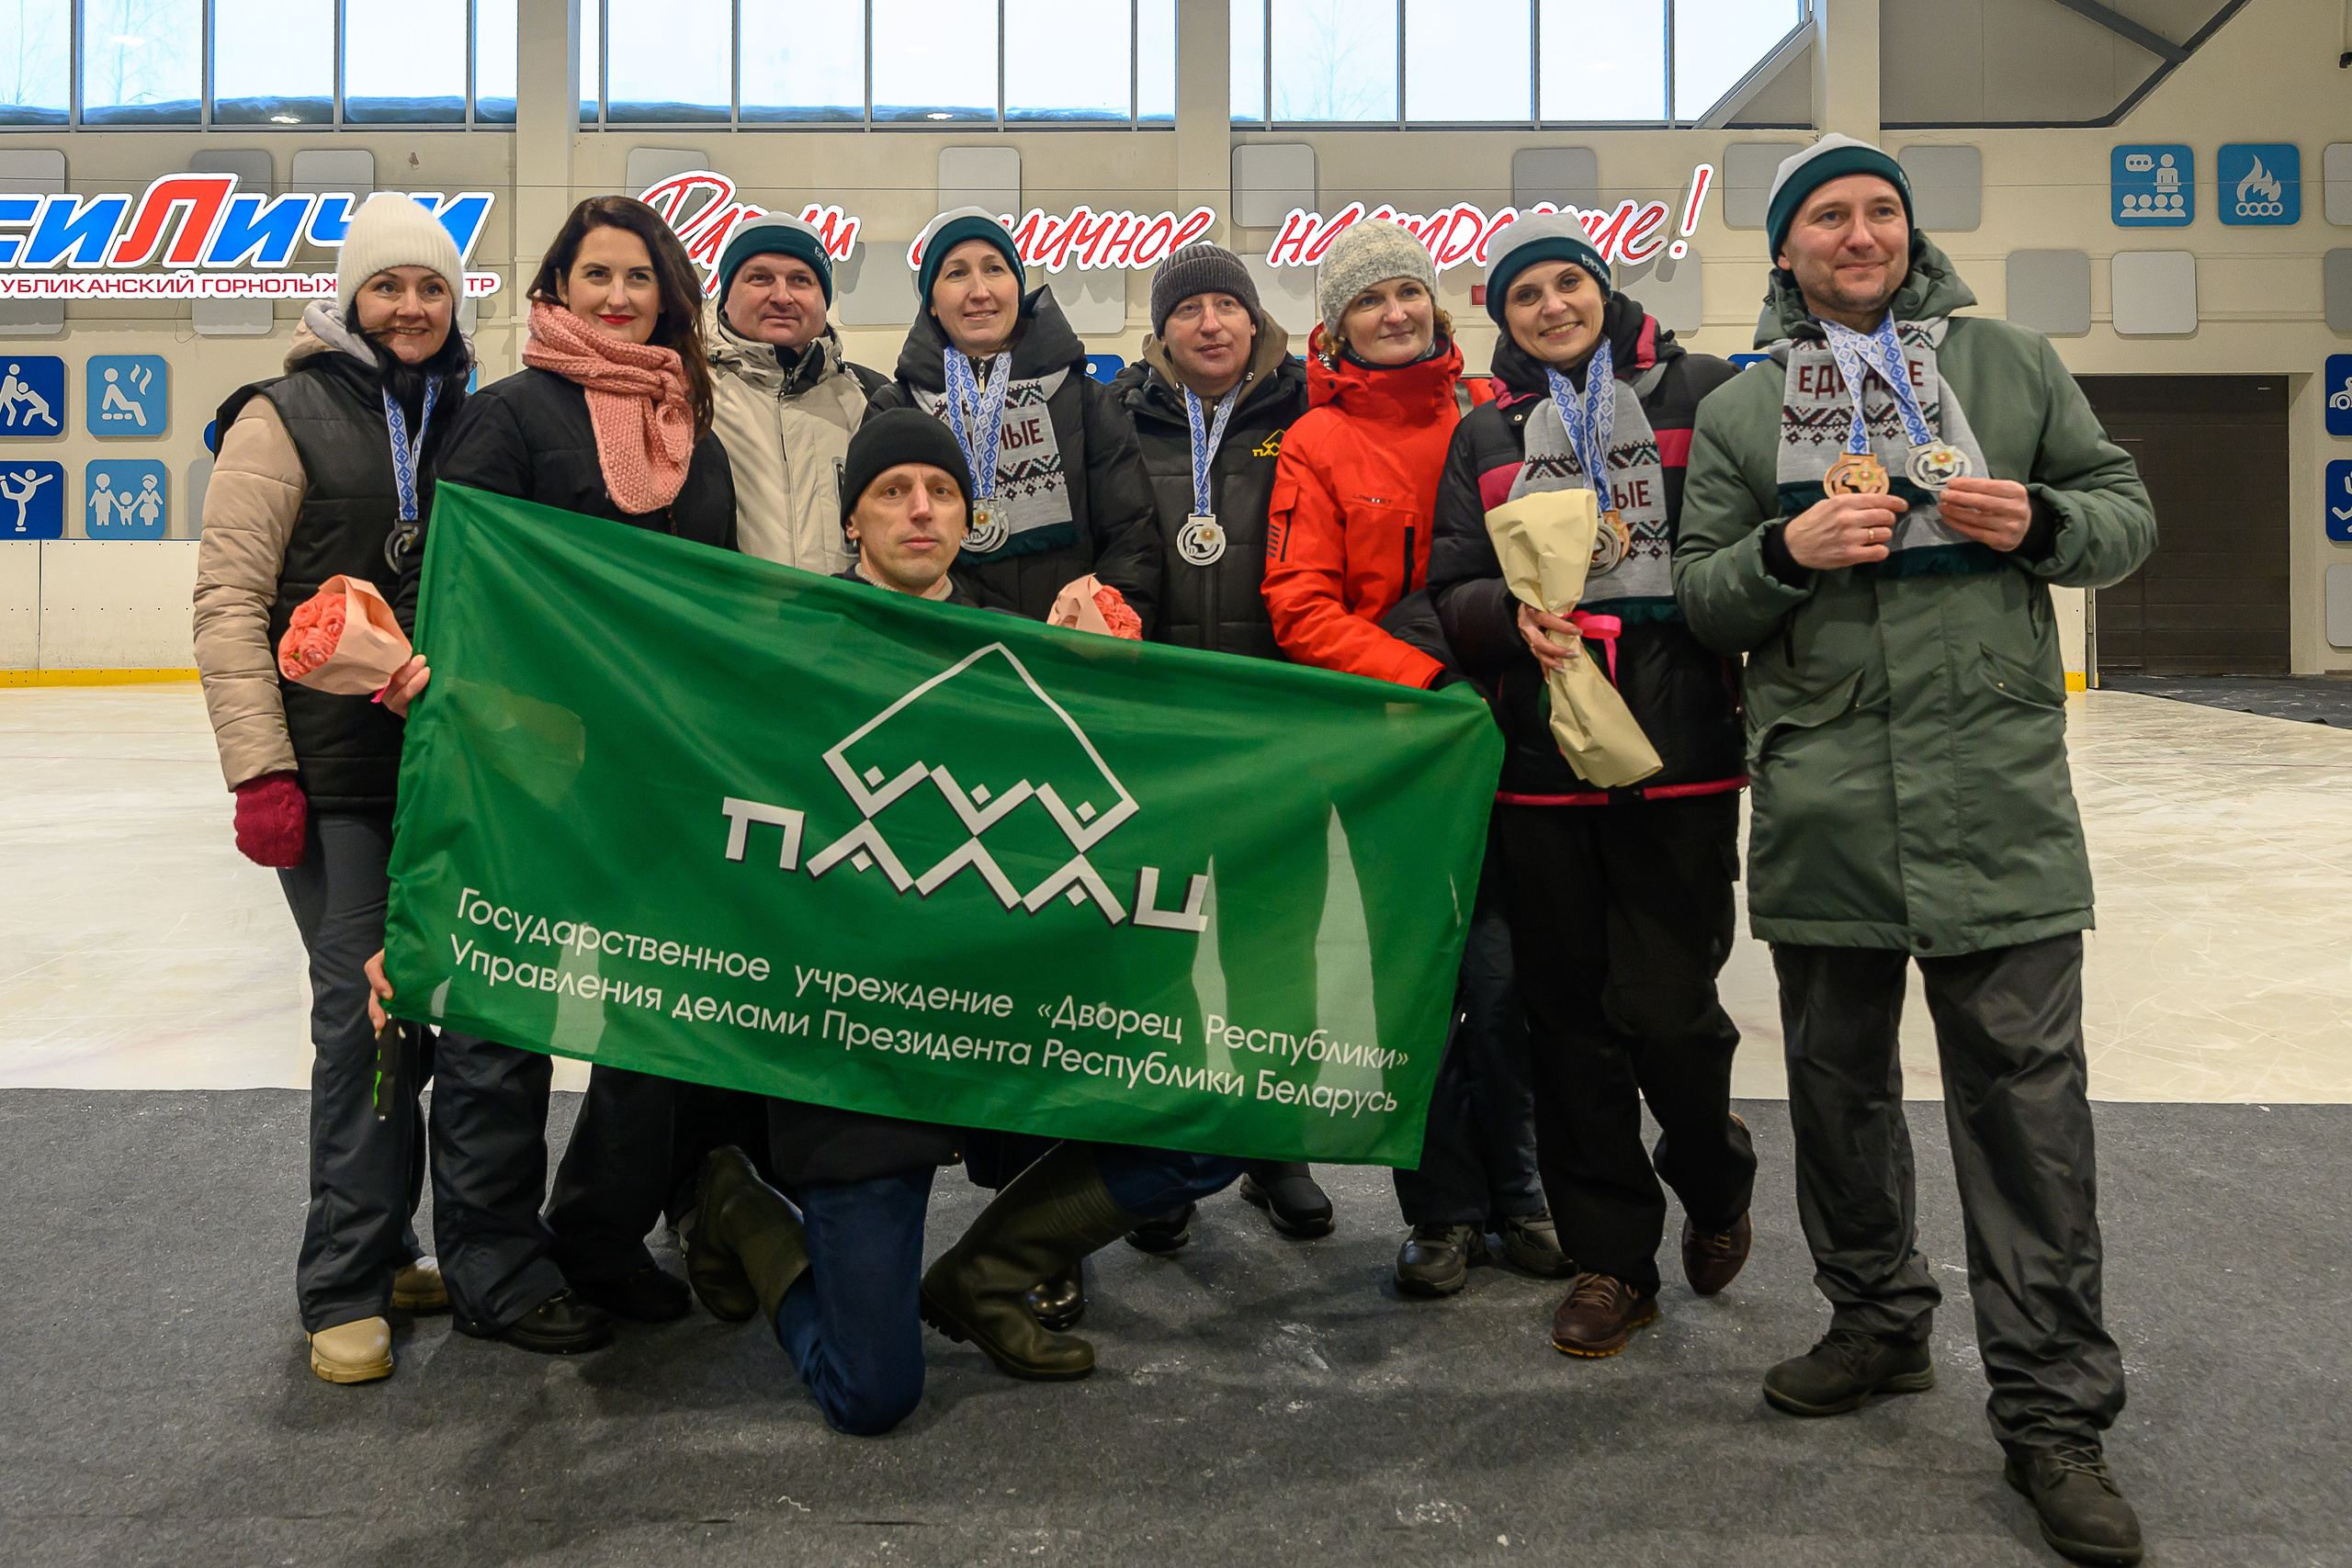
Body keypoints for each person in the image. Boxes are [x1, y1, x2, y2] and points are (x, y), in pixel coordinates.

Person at [1674, 136, 2155, 1566]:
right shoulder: (1748, 406)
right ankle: (1876, 1321)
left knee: (2027, 1112)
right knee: (1837, 1091)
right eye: (1829, 215)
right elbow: (1702, 595)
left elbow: (2125, 512)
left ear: (1909, 232)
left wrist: (2047, 520)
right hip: (1827, 801)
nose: (1861, 232)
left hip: (1996, 797)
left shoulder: (2008, 364)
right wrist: (1785, 555)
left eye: (1881, 210)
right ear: (1786, 250)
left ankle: (2054, 1416)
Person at [377, 195, 739, 1357]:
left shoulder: (693, 427)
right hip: (527, 764)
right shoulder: (510, 416)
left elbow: (715, 601)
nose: (620, 298)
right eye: (598, 276)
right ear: (557, 288)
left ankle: (595, 1233)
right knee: (505, 1017)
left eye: (640, 279)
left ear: (668, 297)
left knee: (651, 1014)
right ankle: (491, 1257)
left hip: (657, 770)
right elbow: (461, 579)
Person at [1427, 212, 1752, 1352]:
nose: (1551, 306)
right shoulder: (1486, 432)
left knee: (1668, 1011)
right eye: (1525, 294)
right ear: (1502, 318)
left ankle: (1715, 1172)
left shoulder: (1696, 392)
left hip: (1678, 755)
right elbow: (1450, 589)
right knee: (1567, 1026)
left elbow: (1742, 548)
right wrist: (1508, 624)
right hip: (1542, 763)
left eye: (1568, 283)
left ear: (1605, 293)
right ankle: (1614, 1261)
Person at [190, 192, 472, 1384]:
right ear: (350, 295)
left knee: (432, 1018)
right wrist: (260, 768)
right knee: (366, 1014)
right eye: (388, 284)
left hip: (455, 774)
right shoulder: (280, 415)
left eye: (431, 287)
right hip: (338, 781)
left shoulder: (475, 413)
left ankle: (395, 1238)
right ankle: (343, 1281)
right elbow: (227, 605)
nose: (409, 307)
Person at [1259, 220, 1562, 1297]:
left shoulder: (1492, 415)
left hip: (1519, 736)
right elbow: (1300, 607)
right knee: (1424, 986)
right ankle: (1441, 1211)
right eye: (1368, 302)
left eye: (1408, 295)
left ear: (1436, 308)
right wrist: (1423, 685)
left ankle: (1522, 1195)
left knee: (1511, 982)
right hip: (1401, 746)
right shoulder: (1317, 442)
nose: (1394, 314)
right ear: (1334, 326)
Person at [679, 409, 978, 1436]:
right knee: (873, 1395)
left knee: (1205, 1118)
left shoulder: (1023, 655)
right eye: (893, 492)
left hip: (996, 1025)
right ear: (851, 519)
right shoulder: (793, 646)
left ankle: (992, 1269)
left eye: (940, 492)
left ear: (970, 517)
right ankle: (733, 1199)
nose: (920, 510)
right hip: (851, 1043)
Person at [1107, 242, 1333, 1250]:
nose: (1209, 325)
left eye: (1226, 308)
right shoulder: (1116, 419)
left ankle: (1271, 1144)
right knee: (1153, 949)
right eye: (1188, 309)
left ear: (1255, 322)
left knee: (1273, 948)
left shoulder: (1307, 417)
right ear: (1160, 333)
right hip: (1153, 735)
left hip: (1275, 729)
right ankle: (1159, 1161)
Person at [869, 207, 1159, 626]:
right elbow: (879, 547)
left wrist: (1108, 629)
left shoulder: (1084, 401)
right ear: (931, 303)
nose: (979, 290)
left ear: (1017, 288)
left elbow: (1132, 537)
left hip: (1068, 655)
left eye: (994, 269)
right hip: (940, 654)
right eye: (955, 274)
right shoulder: (895, 408)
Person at [705, 212, 889, 573]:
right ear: (726, 296)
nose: (782, 296)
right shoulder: (683, 391)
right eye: (760, 278)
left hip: (842, 625)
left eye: (801, 280)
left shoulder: (872, 399)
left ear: (824, 299)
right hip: (725, 626)